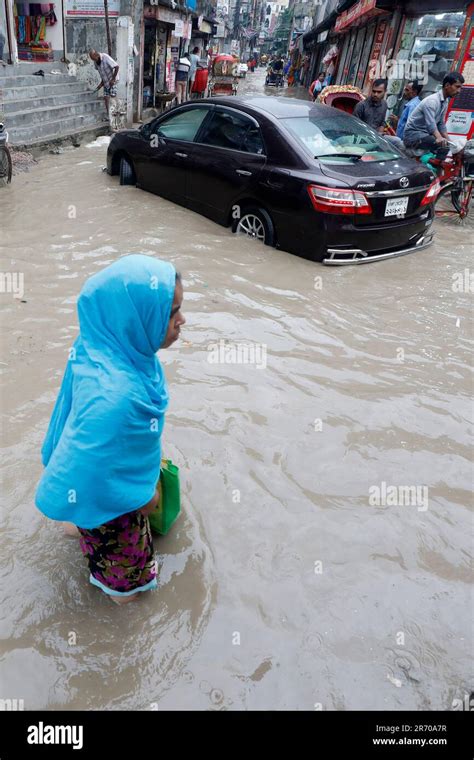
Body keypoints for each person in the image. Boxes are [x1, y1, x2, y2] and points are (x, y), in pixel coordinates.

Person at [35, 255, 185, 605]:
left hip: (95, 498)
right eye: (170, 313)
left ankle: (78, 526)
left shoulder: (100, 342)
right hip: (117, 515)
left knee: (89, 525)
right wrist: (143, 496)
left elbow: (79, 432)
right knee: (130, 594)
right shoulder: (118, 397)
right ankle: (123, 621)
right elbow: (91, 462)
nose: (181, 320)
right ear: (136, 316)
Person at [404, 72, 464, 158]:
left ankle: (436, 167)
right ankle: (435, 169)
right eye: (457, 87)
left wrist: (450, 141)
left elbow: (441, 123)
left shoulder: (445, 101)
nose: (459, 91)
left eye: (460, 88)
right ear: (447, 85)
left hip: (425, 135)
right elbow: (431, 124)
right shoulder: (432, 101)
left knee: (446, 145)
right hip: (413, 136)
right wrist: (439, 138)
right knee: (442, 145)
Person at [89, 49, 119, 118]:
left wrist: (113, 79)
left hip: (112, 81)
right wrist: (100, 85)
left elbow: (117, 66)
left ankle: (115, 115)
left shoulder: (105, 57)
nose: (94, 61)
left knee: (112, 97)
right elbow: (102, 74)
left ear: (96, 55)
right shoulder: (96, 62)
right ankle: (109, 115)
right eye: (93, 60)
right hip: (106, 82)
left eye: (94, 59)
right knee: (106, 98)